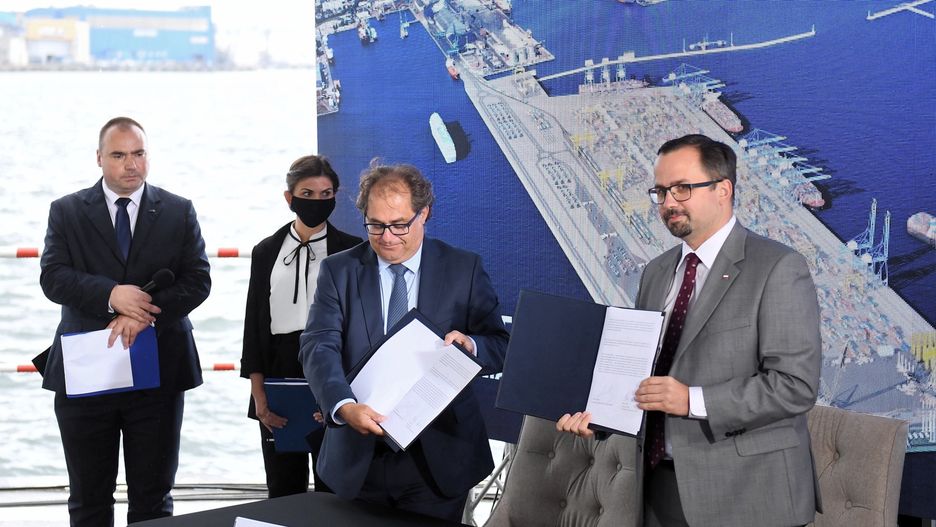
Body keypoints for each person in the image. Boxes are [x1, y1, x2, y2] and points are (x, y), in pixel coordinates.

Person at [557, 134, 821, 527]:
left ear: (723, 190)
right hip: (657, 484)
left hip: (748, 494)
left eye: (682, 188)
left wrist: (692, 400)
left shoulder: (778, 267)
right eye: (660, 191)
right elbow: (643, 373)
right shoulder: (656, 272)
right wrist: (600, 417)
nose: (668, 203)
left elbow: (794, 386)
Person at [299, 162, 509, 522]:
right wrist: (344, 406)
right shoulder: (339, 270)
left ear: (424, 213)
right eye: (375, 225)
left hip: (439, 459)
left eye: (399, 225)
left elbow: (500, 345)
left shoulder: (464, 269)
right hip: (357, 458)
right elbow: (318, 345)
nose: (387, 237)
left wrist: (471, 347)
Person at [39, 116, 211, 526]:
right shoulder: (66, 211)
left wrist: (142, 314)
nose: (130, 164)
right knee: (88, 498)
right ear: (99, 158)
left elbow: (198, 280)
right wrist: (111, 295)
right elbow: (53, 277)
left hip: (159, 370)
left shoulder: (178, 210)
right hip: (87, 370)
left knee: (153, 498)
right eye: (118, 155)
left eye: (138, 153)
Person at [240, 155, 362, 498]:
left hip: (334, 373)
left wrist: (344, 396)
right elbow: (254, 328)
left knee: (334, 491)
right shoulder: (266, 251)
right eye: (307, 193)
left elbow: (360, 330)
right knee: (283, 489)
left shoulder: (353, 251)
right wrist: (259, 396)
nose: (317, 201)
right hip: (279, 375)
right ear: (289, 197)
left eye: (326, 194)